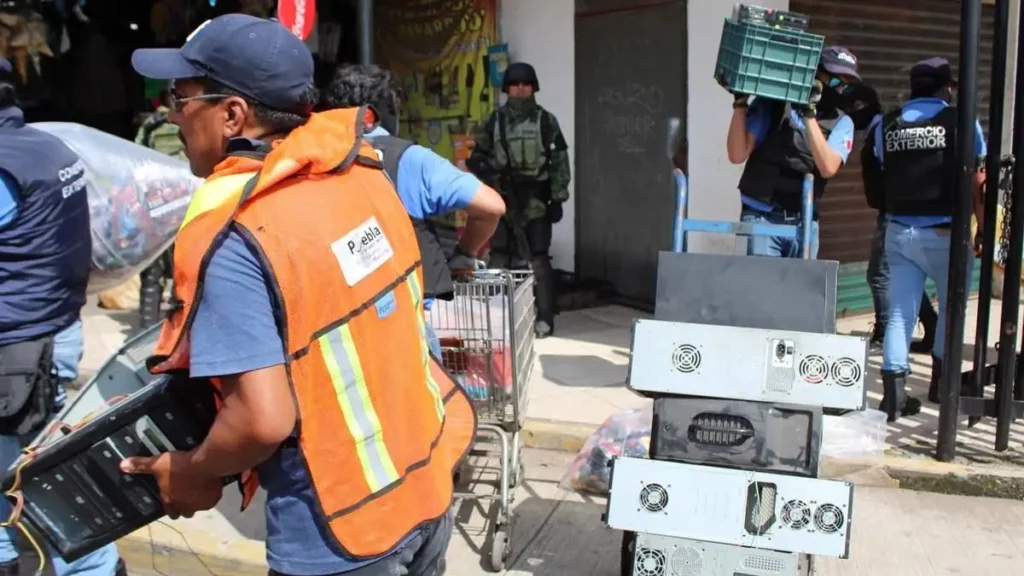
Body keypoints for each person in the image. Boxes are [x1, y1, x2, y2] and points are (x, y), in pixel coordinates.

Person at [125, 14, 475, 576]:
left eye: (180, 97)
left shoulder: (240, 231)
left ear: (232, 114)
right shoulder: (363, 176)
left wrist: (193, 469)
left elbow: (261, 421)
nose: (171, 113)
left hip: (340, 527)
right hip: (425, 487)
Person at [0, 57, 125, 576]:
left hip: (17, 352)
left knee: (30, 488)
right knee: (42, 478)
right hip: (50, 333)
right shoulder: (48, 147)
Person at [318, 64, 506, 357]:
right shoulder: (408, 159)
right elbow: (491, 207)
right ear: (383, 110)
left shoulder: (312, 160)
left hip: (335, 335)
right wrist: (464, 254)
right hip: (405, 330)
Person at [874, 57, 986, 422]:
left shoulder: (886, 124)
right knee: (953, 312)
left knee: (900, 316)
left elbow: (879, 168)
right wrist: (983, 226)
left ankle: (893, 399)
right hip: (946, 235)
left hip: (898, 233)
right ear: (946, 88)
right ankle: (940, 386)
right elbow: (979, 180)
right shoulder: (962, 122)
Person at [466, 62, 571, 338]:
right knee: (500, 255)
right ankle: (493, 317)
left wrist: (558, 197)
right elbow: (477, 155)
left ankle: (545, 316)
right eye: (516, 84)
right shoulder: (494, 120)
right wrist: (486, 171)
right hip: (502, 196)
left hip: (536, 196)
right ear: (507, 88)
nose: (521, 89)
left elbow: (560, 159)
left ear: (533, 87)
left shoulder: (545, 120)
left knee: (538, 257)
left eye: (526, 84)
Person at [725, 46, 860, 259]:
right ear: (815, 74)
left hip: (804, 223)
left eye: (846, 86)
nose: (839, 90)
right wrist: (740, 105)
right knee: (759, 290)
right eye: (834, 82)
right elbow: (737, 154)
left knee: (801, 292)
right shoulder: (772, 105)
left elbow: (827, 167)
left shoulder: (842, 123)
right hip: (761, 218)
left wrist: (809, 116)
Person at [844, 82, 939, 354]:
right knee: (898, 274)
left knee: (879, 275)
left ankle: (886, 334)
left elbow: (896, 171)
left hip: (895, 214)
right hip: (896, 211)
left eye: (850, 110)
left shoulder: (883, 131)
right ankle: (930, 328)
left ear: (860, 108)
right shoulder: (882, 128)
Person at [134, 88, 184, 333]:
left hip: (160, 204)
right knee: (180, 272)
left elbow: (136, 159)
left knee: (154, 273)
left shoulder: (152, 125)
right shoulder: (196, 119)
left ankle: (146, 332)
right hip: (187, 204)